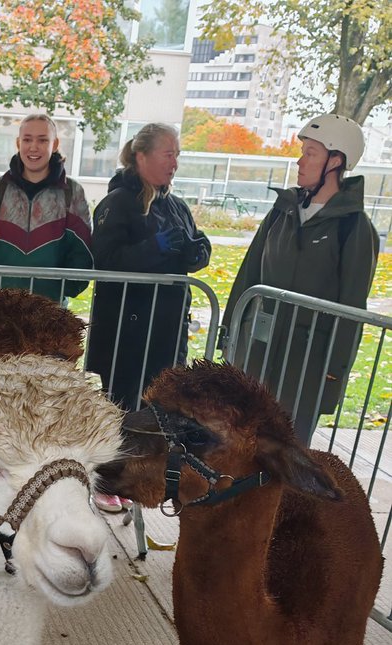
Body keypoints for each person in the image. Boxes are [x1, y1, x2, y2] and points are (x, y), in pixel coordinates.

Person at [222, 113, 379, 446]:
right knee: (235, 445)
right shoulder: (283, 211)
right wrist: (230, 335)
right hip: (256, 352)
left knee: (283, 454)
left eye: (310, 153)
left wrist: (333, 376)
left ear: (335, 161)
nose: (299, 161)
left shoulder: (353, 227)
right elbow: (247, 277)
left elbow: (352, 309)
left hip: (304, 367)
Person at [83, 122, 211, 513]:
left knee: (156, 409)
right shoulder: (118, 203)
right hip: (127, 330)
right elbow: (104, 261)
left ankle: (141, 475)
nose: (175, 161)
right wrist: (151, 248)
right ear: (142, 157)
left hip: (165, 329)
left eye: (177, 154)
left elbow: (197, 245)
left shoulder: (175, 204)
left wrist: (197, 251)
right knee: (120, 406)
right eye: (167, 153)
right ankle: (105, 477)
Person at [0, 112, 94, 303]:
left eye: (42, 140)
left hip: (49, 310)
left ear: (55, 144)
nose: (34, 147)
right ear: (18, 143)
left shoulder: (72, 192)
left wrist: (66, 287)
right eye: (27, 139)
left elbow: (82, 252)